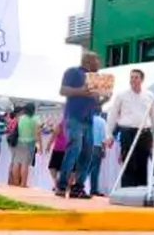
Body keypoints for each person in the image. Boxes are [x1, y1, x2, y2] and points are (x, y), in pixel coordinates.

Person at [54, 51, 105, 199]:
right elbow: (63, 90)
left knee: (88, 154)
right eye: (97, 61)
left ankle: (78, 187)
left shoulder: (95, 78)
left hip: (88, 119)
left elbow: (95, 103)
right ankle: (62, 185)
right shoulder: (73, 72)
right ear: (88, 61)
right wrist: (81, 91)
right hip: (74, 117)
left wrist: (104, 100)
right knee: (74, 149)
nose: (99, 64)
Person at [105, 68, 154, 188]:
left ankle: (142, 192)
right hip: (127, 132)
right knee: (128, 162)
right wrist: (109, 135)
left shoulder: (149, 95)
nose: (133, 80)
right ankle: (127, 192)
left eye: (136, 77)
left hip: (145, 133)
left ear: (142, 79)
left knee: (143, 163)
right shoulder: (121, 95)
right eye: (131, 77)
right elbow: (112, 115)